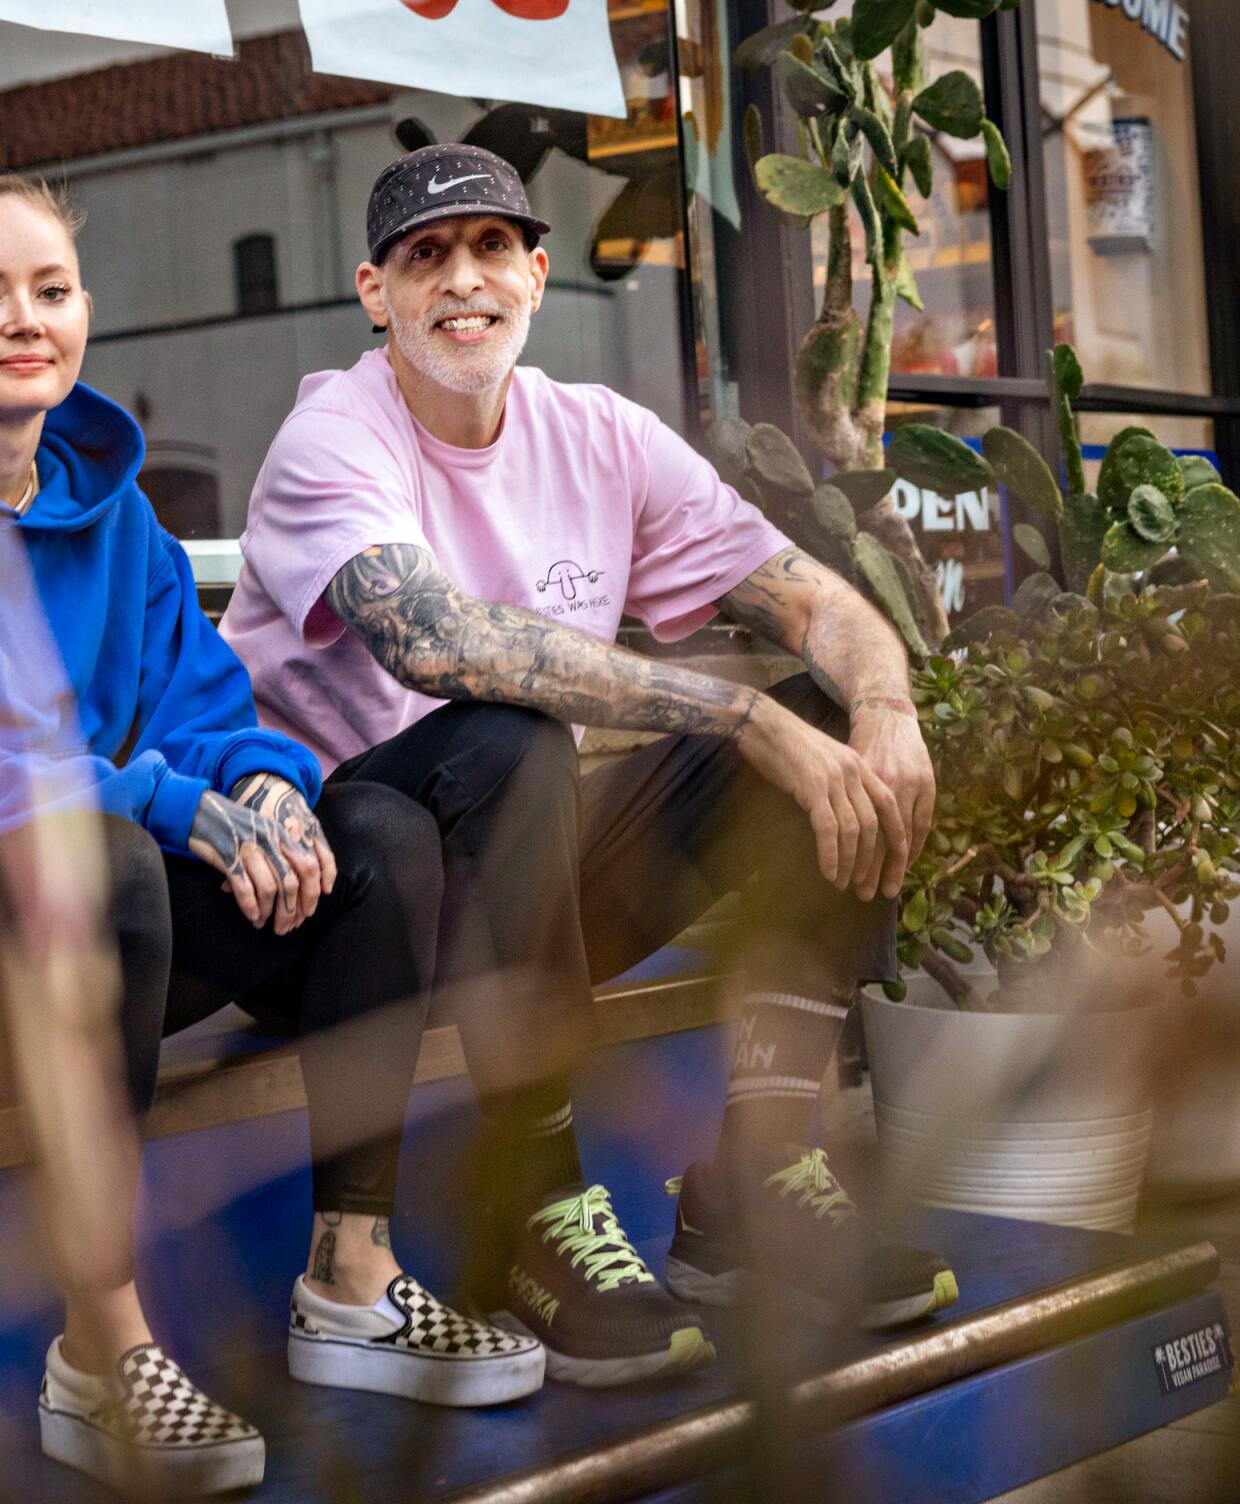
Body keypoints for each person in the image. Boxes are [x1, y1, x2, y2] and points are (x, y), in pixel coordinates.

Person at [0, 148, 542, 1495]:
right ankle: (101, 1350)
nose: (27, 320)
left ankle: (352, 1278)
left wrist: (263, 784)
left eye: (52, 288)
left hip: (56, 962)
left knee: (376, 836)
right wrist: (163, 801)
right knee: (105, 856)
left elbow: (210, 709)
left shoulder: (117, 518)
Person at [221, 143, 961, 1385]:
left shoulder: (598, 435)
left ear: (537, 273)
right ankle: (540, 1203)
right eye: (426, 256)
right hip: (342, 917)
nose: (463, 279)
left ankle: (756, 1181)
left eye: (491, 247)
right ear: (376, 292)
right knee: (514, 737)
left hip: (524, 899)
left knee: (827, 741)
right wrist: (736, 719)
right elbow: (436, 639)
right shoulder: (333, 435)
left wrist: (883, 700)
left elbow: (818, 605)